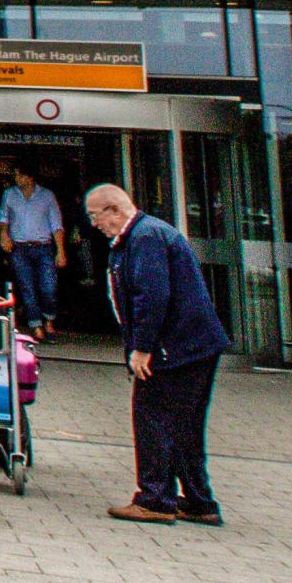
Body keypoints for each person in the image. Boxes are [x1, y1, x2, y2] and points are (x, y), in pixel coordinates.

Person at [92, 182, 227, 523]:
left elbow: (151, 295)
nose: (94, 224)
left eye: (95, 215)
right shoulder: (147, 234)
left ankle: (154, 499)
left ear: (115, 209)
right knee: (185, 424)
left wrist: (142, 348)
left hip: (173, 348)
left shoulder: (144, 237)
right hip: (195, 345)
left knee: (152, 417)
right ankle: (199, 502)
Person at [0, 163, 68, 340]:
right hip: (20, 247)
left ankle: (49, 319)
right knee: (26, 286)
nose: (17, 178)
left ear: (30, 177)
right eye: (16, 175)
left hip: (43, 246)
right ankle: (36, 325)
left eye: (20, 175)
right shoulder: (10, 195)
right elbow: (3, 217)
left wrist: (61, 251)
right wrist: (4, 236)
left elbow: (56, 224)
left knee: (48, 287)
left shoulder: (46, 196)